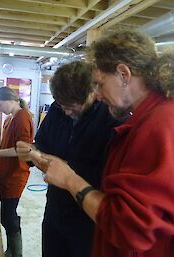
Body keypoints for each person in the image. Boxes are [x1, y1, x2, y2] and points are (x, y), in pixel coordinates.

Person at [26, 30, 174, 257]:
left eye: (100, 84)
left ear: (123, 74)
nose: (98, 95)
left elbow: (127, 227)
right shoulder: (146, 119)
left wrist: (69, 179)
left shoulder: (158, 124)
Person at [17, 61, 120, 257]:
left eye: (72, 106)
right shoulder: (58, 108)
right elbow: (41, 145)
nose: (66, 111)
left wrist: (65, 169)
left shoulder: (111, 118)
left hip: (87, 218)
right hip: (55, 209)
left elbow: (106, 176)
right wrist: (30, 152)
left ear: (92, 93)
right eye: (61, 104)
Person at [0, 86, 34, 257]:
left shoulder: (23, 118)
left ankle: (16, 253)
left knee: (8, 217)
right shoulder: (10, 119)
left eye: (0, 105)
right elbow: (7, 146)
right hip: (6, 172)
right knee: (6, 216)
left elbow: (20, 150)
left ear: (11, 100)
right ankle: (11, 250)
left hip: (16, 174)